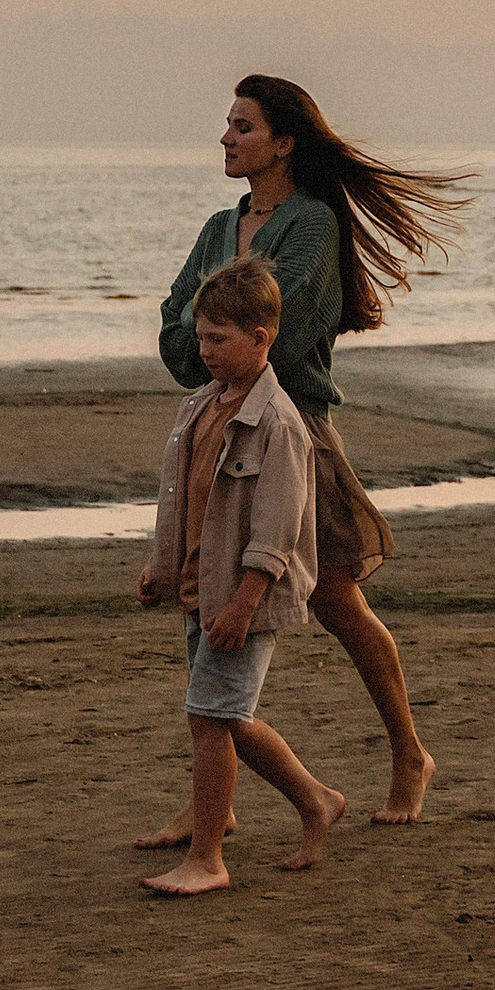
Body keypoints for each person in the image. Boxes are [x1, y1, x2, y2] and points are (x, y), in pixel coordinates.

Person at [158, 74, 467, 826]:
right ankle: (214, 805)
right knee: (205, 592)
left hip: (295, 436)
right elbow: (175, 331)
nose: (226, 138)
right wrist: (216, 348)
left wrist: (219, 342)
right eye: (227, 124)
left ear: (284, 142)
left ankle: (408, 753)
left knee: (336, 599)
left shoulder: (313, 225)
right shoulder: (215, 227)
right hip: (218, 430)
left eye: (243, 126)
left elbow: (283, 337)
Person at [135, 258, 345, 896]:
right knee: (224, 717)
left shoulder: (279, 423)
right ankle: (314, 800)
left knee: (209, 717)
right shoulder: (200, 405)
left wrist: (245, 602)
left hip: (242, 599)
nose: (205, 351)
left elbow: (279, 529)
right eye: (200, 337)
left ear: (262, 339)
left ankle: (208, 858)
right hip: (202, 590)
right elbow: (184, 497)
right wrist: (161, 567)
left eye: (219, 339)